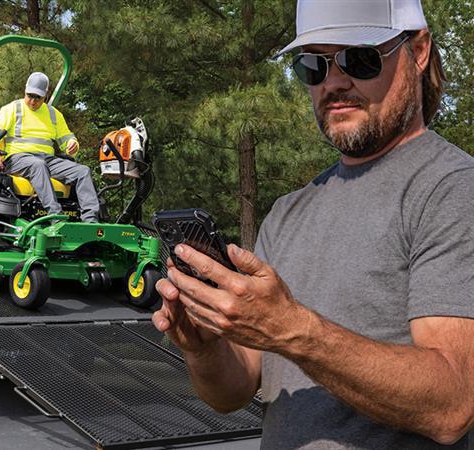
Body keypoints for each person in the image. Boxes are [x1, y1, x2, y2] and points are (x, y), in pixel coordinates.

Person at [154, 1, 474, 448]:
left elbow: (452, 404)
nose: (335, 82)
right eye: (313, 66)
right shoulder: (288, 212)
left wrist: (294, 330)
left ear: (418, 51)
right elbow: (233, 390)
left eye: (359, 59)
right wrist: (204, 346)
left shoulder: (452, 189)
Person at [0, 72, 100, 222]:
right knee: (38, 165)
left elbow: (67, 138)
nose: (32, 101)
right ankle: (56, 217)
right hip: (17, 159)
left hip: (48, 160)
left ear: (45, 95)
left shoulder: (53, 114)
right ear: (25, 90)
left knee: (83, 171)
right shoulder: (13, 109)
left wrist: (72, 144)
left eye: (37, 97)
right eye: (29, 95)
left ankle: (90, 221)